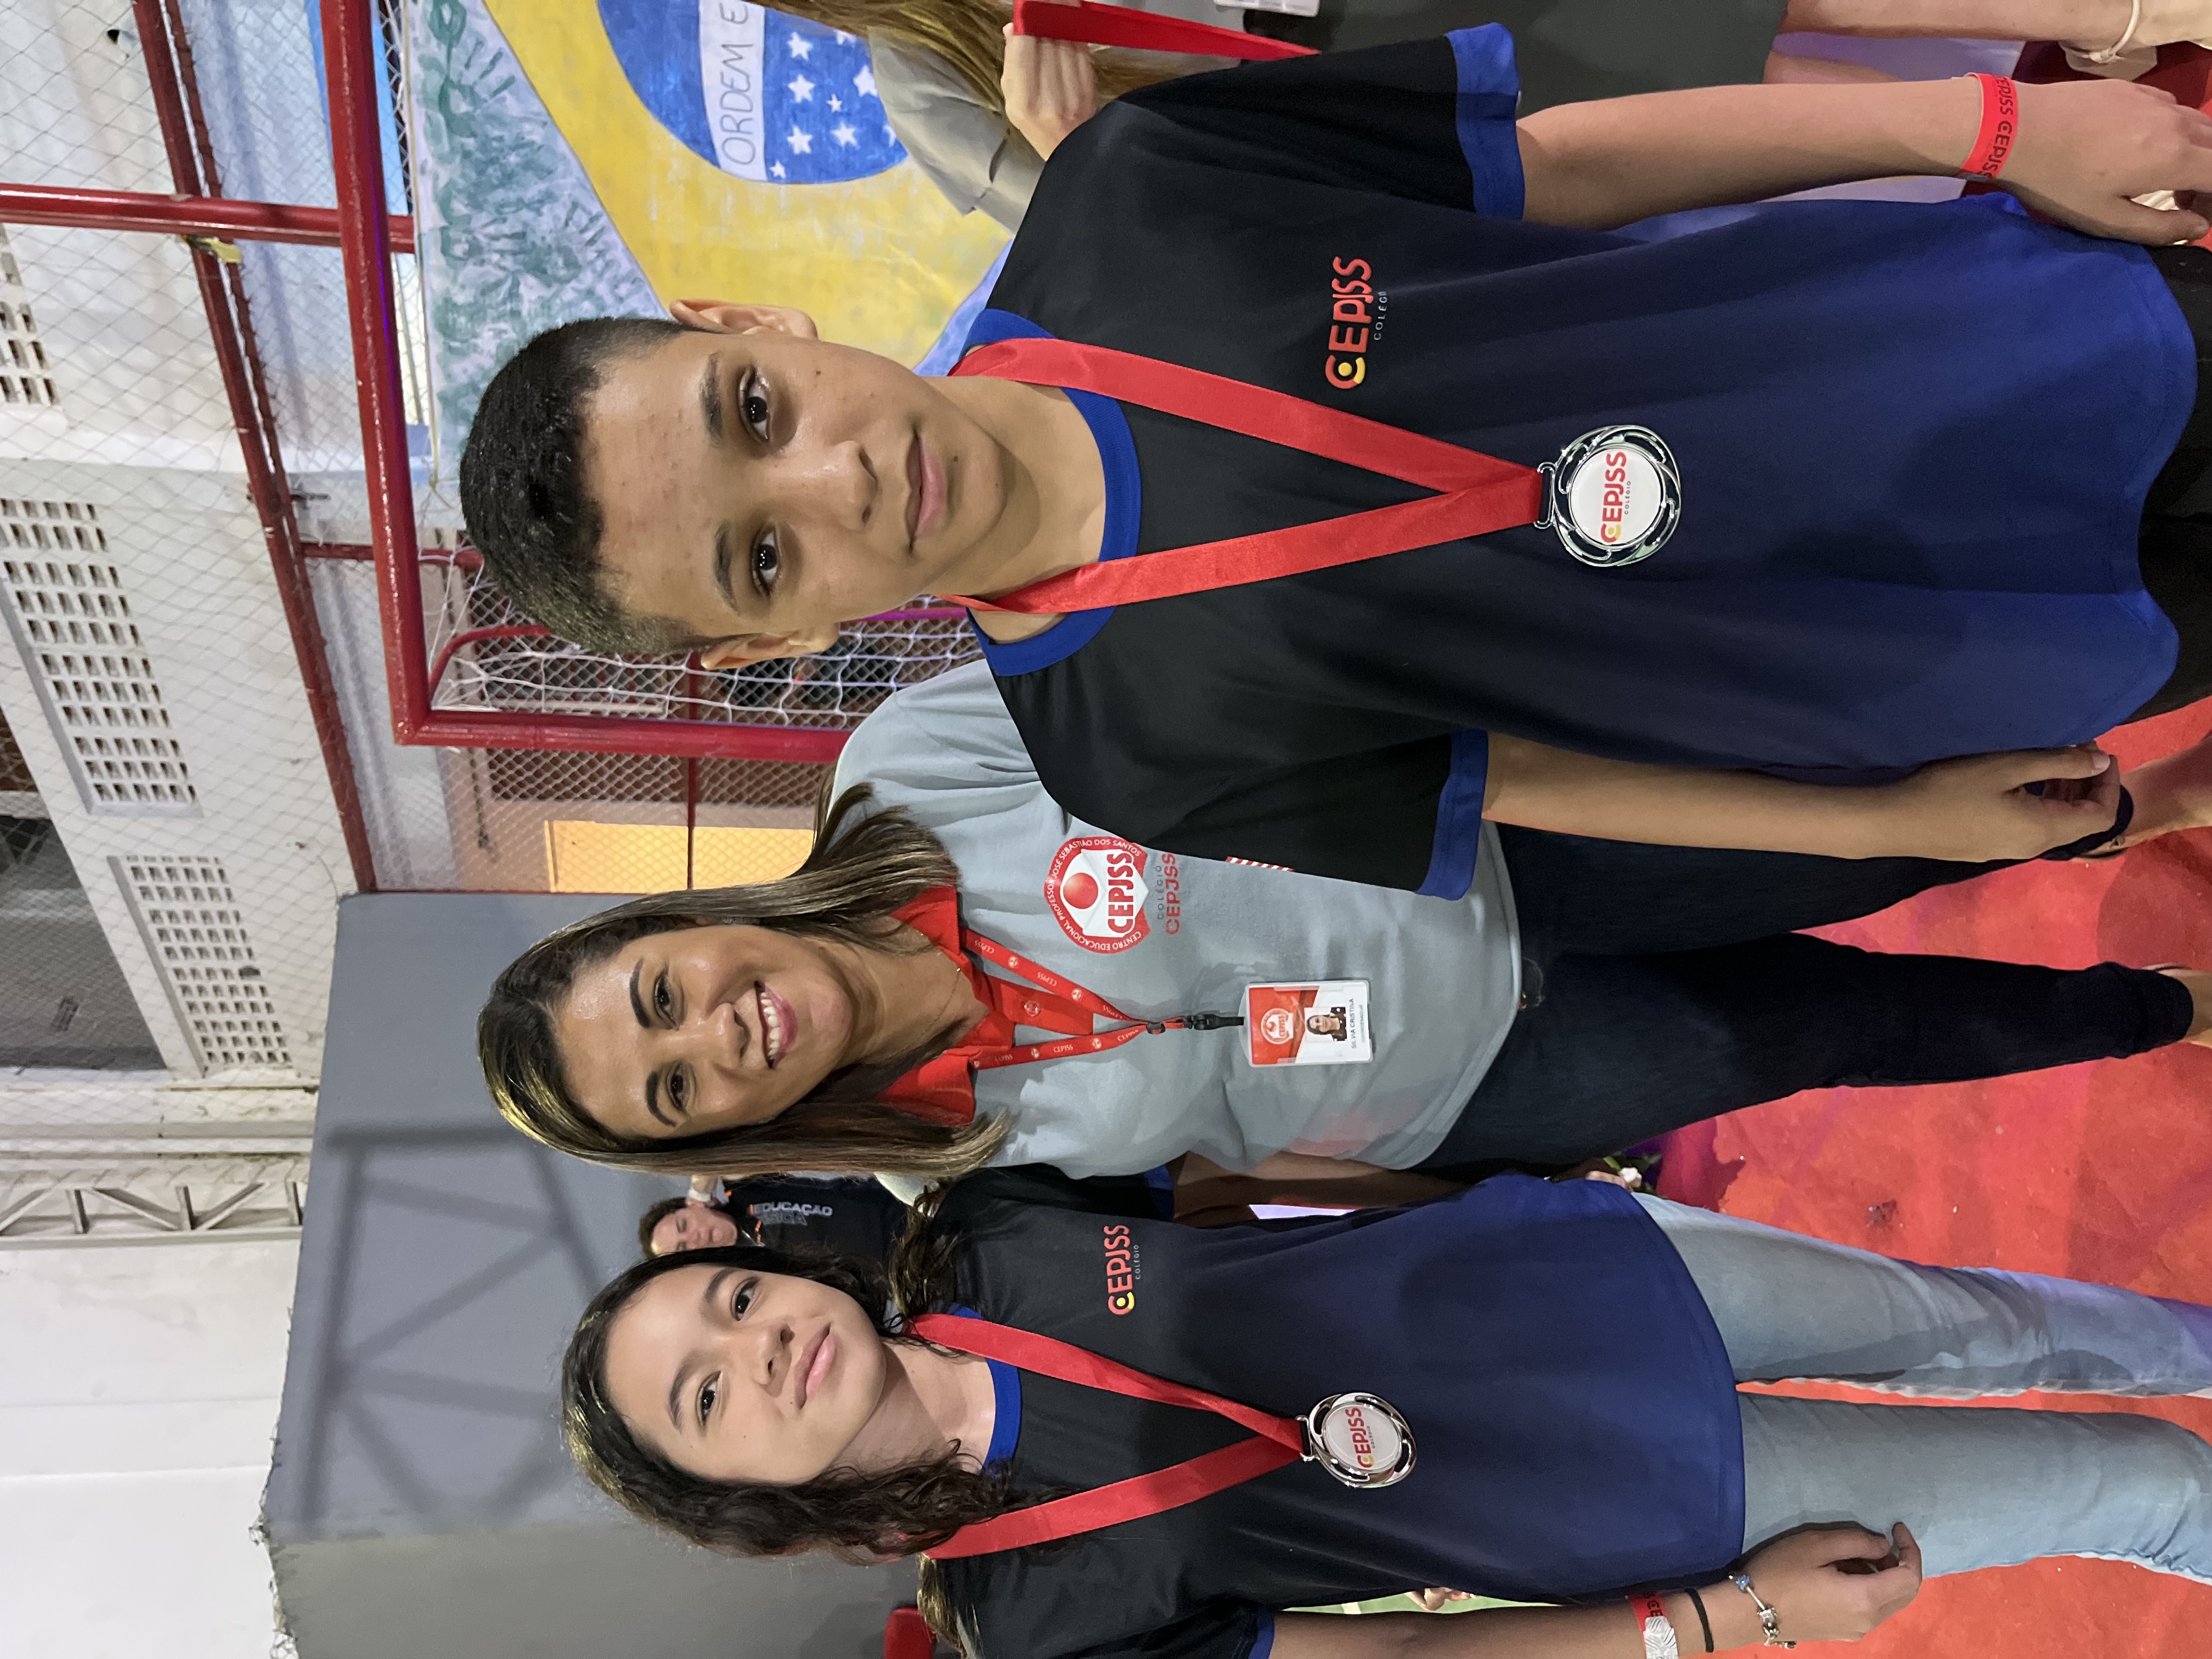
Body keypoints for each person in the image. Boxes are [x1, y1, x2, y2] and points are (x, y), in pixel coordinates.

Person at [460, 42, 2212, 893]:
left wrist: (1989, 123)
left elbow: (1560, 167)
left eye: (755, 412)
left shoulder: (1130, 188)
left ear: (751, 321)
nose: (834, 483)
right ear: (772, 646)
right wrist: (1886, 827)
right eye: (762, 558)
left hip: (2003, 349)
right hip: (1949, 653)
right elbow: (1523, 780)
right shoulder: (1124, 760)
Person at [481, 664, 2212, 1192]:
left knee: (1861, 852)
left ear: (683, 921)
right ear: (716, 1133)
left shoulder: (904, 773)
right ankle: (2159, 1010)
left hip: (1511, 856)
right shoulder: (938, 1170)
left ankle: (2141, 801)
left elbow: (1196, 692)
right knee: (1825, 1033)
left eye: (662, 995)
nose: (718, 1034)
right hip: (1487, 1084)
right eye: (676, 1089)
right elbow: (1218, 1190)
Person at [558, 1164, 2212, 1658]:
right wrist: (1725, 1621)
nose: (757, 1349)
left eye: (730, 1305)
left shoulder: (980, 1234)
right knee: (2129, 1488)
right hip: (1643, 1492)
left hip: (1602, 1272)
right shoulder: (1020, 1615)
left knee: (1997, 1320)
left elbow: (1250, 1190)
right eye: (706, 1397)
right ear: (737, 1496)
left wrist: (1511, 1182)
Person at [838, 0, 2199, 230]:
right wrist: (1082, 157)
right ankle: (2035, 135)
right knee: (1693, 72)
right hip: (1342, 79)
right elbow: (1132, 241)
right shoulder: (931, 87)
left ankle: (2113, 14)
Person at [639, 1175, 911, 1261]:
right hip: (910, 1264)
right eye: (683, 1248)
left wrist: (699, 1191)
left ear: (692, 1207)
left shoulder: (745, 1187)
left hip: (901, 1201)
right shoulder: (747, 1274)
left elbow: (712, 1141)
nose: (694, 1237)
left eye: (684, 1225)